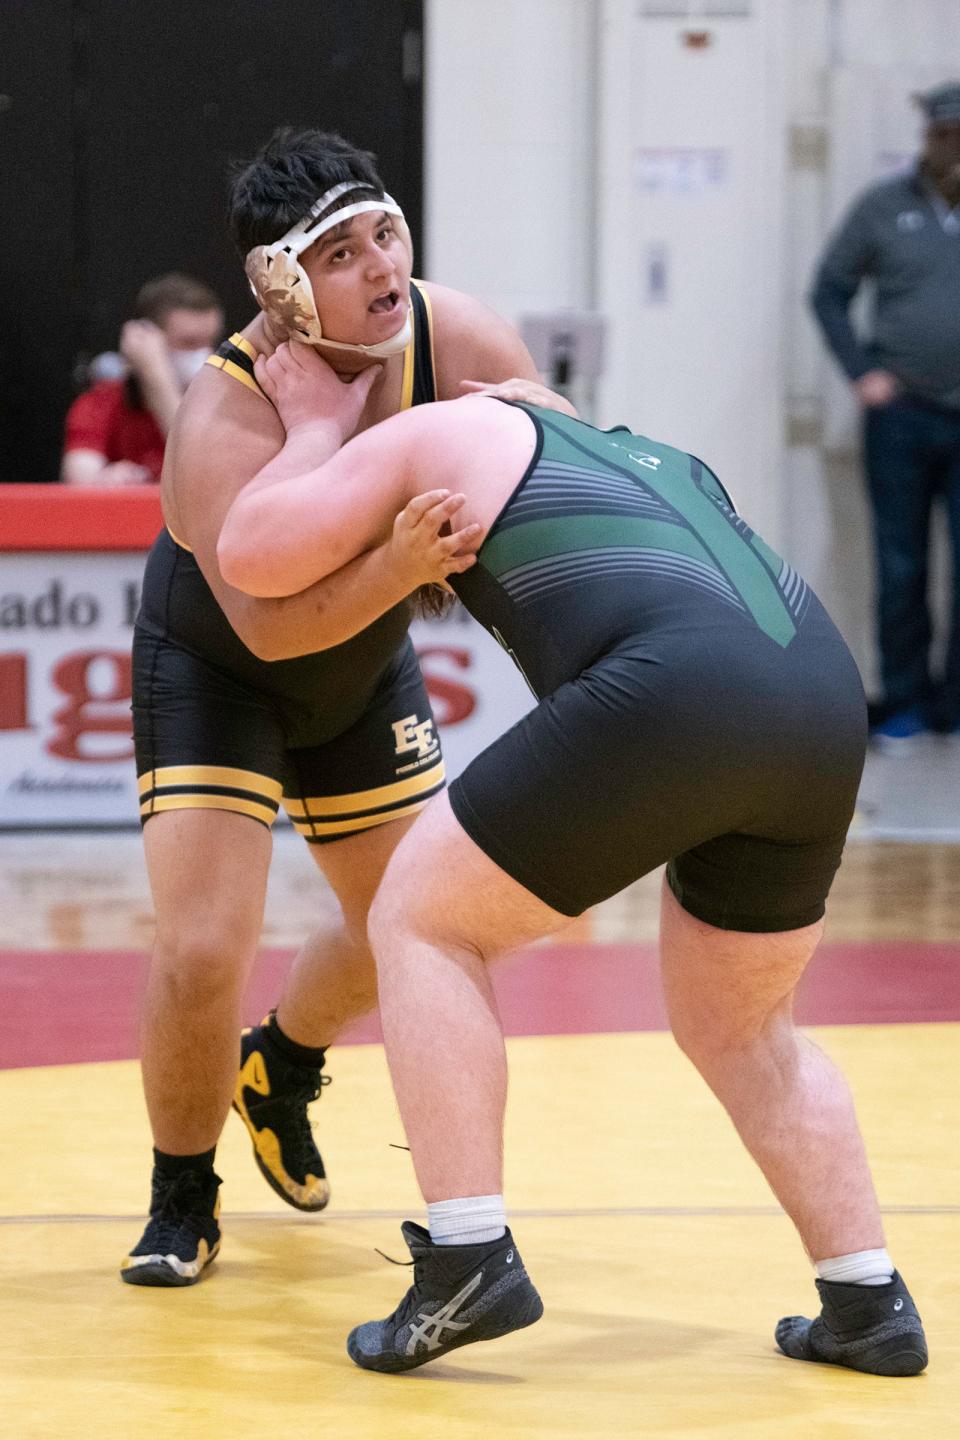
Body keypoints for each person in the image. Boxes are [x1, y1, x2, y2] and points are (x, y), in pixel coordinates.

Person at [217, 339, 928, 1379]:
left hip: (684, 690)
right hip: (821, 698)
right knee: (745, 1028)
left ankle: (467, 1257)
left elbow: (255, 553)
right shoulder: (654, 455)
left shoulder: (433, 433)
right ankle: (867, 1298)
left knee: (420, 915)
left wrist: (316, 424)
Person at [121, 127, 570, 1288]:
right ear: (277, 280)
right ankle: (183, 1193)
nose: (381, 268)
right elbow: (273, 626)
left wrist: (544, 427)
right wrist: (404, 561)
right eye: (342, 252)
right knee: (203, 946)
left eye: (388, 234)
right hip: (222, 665)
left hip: (361, 661)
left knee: (413, 929)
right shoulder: (222, 421)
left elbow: (549, 473)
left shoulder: (452, 334)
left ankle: (283, 1061)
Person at [811, 80, 960, 741]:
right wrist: (861, 372)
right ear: (928, 138)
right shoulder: (882, 206)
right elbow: (829, 291)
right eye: (945, 134)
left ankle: (954, 707)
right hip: (901, 415)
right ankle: (903, 700)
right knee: (901, 565)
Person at [61, 274, 223, 485]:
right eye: (189, 343)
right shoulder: (101, 403)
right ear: (145, 339)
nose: (205, 354)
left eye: (210, 341)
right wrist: (106, 481)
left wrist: (159, 379)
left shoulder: (225, 402)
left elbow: (206, 470)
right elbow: (79, 480)